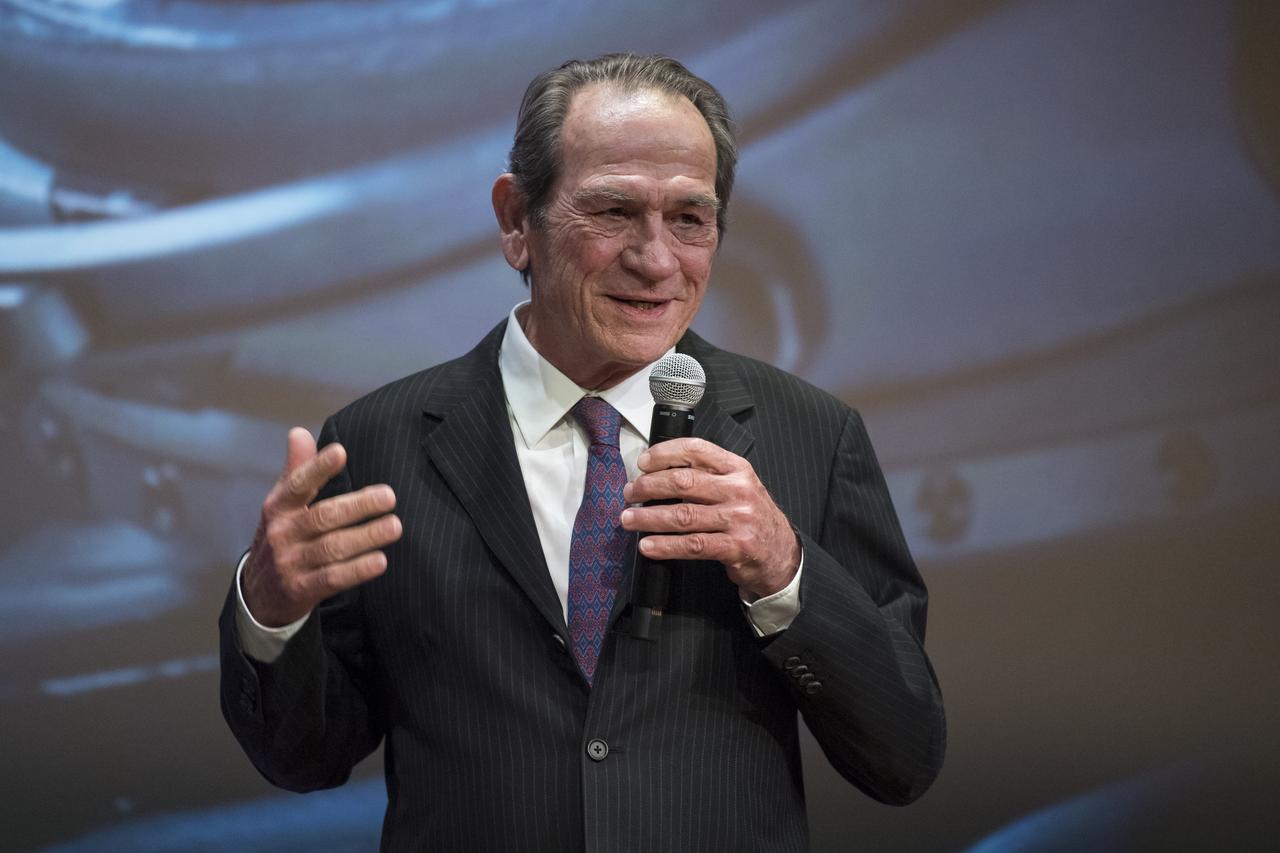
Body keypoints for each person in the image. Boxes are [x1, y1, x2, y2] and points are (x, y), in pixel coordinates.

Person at [219, 53, 945, 852]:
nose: (657, 260)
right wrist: (269, 610)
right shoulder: (376, 445)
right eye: (613, 211)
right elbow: (303, 756)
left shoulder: (810, 434)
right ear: (516, 219)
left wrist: (784, 570)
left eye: (690, 218)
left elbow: (904, 756)